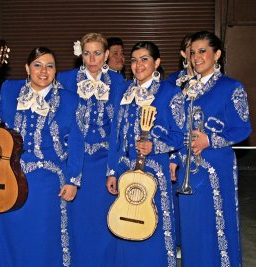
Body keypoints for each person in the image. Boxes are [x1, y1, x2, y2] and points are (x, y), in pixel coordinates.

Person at [0, 47, 82, 266]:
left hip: (48, 183)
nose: (43, 71)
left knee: (44, 238)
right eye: (37, 65)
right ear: (27, 68)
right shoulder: (9, 90)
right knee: (12, 233)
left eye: (50, 66)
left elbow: (77, 142)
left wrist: (73, 180)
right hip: (9, 177)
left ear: (56, 71)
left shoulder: (69, 100)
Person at [172, 31, 252, 266]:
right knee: (192, 226)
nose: (196, 57)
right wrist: (174, 158)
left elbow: (243, 128)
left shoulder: (231, 87)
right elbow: (179, 129)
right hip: (188, 167)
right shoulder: (185, 88)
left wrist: (210, 140)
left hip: (216, 167)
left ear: (217, 54)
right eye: (193, 52)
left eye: (202, 51)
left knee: (216, 224)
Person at [106, 41, 184, 267]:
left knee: (155, 225)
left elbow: (180, 135)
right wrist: (111, 171)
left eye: (144, 59)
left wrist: (155, 146)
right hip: (123, 169)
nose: (138, 65)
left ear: (157, 63)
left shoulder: (170, 93)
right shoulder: (122, 90)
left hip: (155, 171)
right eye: (134, 60)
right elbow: (115, 136)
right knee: (124, 224)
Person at [56, 33, 124, 267]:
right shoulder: (64, 80)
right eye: (87, 53)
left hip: (105, 161)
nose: (92, 58)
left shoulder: (118, 83)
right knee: (77, 222)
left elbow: (118, 129)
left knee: (104, 220)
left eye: (97, 53)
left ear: (106, 55)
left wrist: (113, 169)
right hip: (74, 161)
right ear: (80, 55)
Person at [167, 32, 194, 257]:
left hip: (200, 149)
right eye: (190, 50)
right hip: (176, 147)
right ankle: (176, 241)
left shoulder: (216, 81)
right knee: (175, 200)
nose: (195, 56)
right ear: (183, 54)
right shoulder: (172, 82)